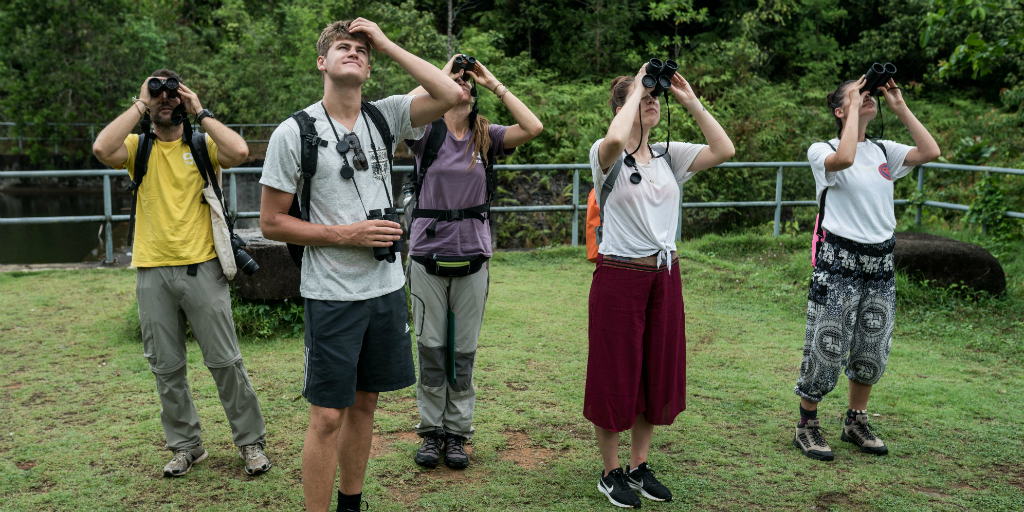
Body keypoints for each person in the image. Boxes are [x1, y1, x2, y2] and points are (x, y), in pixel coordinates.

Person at [258, 19, 461, 512]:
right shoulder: (295, 132)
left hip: (386, 286)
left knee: (366, 403)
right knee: (327, 415)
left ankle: (352, 503)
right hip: (331, 294)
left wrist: (387, 43)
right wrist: (346, 234)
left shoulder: (385, 117)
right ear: (322, 62)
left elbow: (450, 93)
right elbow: (271, 222)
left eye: (362, 51)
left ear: (370, 67)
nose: (354, 53)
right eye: (342, 48)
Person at [92, 69, 270, 477]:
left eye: (171, 94)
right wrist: (142, 102)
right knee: (166, 367)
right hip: (152, 272)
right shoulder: (137, 147)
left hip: (202, 268)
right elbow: (103, 148)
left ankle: (250, 444)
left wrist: (199, 109)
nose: (165, 99)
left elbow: (240, 152)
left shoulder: (202, 143)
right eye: (159, 94)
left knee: (226, 362)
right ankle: (186, 446)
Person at [588, 66, 735, 508]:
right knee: (615, 374)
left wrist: (689, 99)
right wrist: (636, 87)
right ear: (622, 106)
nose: (652, 99)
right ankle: (611, 471)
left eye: (656, 96)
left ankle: (639, 464)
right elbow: (616, 141)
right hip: (619, 276)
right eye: (642, 96)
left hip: (664, 275)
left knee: (655, 369)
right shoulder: (604, 153)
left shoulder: (670, 155)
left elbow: (724, 148)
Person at [403, 55, 543, 470]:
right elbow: (388, 115)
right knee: (430, 348)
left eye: (469, 83)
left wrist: (494, 82)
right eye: (457, 83)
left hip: (473, 260)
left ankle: (457, 433)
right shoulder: (425, 132)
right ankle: (432, 432)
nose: (464, 85)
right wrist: (441, 76)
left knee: (462, 352)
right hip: (428, 258)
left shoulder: (487, 135)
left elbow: (534, 128)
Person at [793, 75, 940, 461]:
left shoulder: (883, 150)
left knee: (871, 346)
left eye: (867, 93)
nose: (867, 97)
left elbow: (930, 151)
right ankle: (807, 424)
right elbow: (843, 159)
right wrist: (856, 110)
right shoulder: (820, 150)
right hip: (838, 262)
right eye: (856, 97)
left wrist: (899, 106)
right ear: (840, 111)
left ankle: (855, 420)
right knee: (828, 345)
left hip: (880, 262)